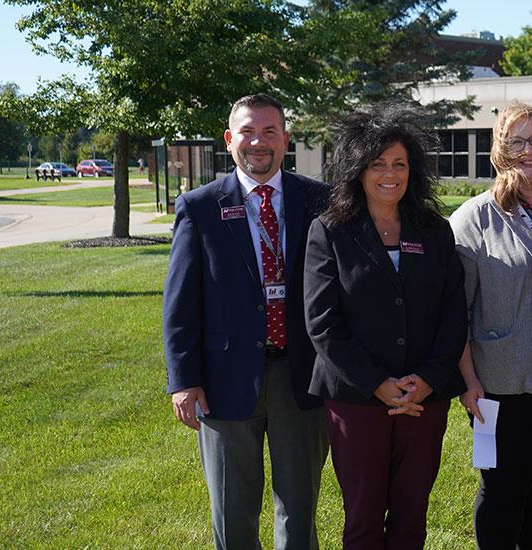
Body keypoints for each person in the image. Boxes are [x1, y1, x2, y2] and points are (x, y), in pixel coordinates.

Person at [163, 93, 330, 550]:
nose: (259, 142)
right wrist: (183, 379)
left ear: (286, 138)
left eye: (269, 131)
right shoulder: (200, 207)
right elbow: (180, 303)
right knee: (232, 510)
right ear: (228, 140)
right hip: (223, 379)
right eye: (248, 132)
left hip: (302, 378)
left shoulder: (319, 200)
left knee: (299, 510)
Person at [303, 104, 466, 550]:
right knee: (363, 520)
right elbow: (322, 322)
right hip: (356, 400)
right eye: (377, 164)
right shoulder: (330, 231)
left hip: (423, 400)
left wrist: (428, 380)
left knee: (412, 517)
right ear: (357, 170)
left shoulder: (434, 230)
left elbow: (454, 312)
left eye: (399, 164)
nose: (390, 174)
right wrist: (377, 383)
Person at [451, 101, 532, 549]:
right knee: (503, 488)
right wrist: (467, 382)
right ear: (500, 150)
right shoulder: (474, 219)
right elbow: (454, 312)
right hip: (499, 384)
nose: (527, 150)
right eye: (515, 141)